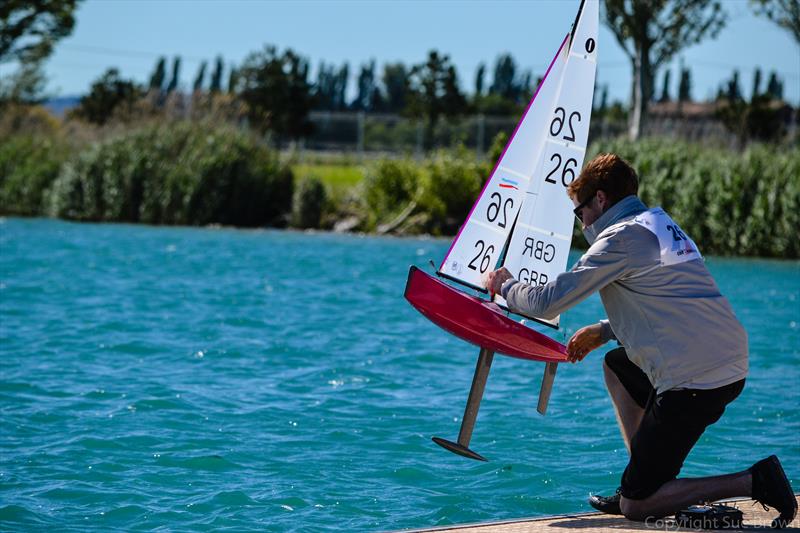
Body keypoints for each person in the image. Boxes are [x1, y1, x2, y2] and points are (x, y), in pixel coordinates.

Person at [485, 153, 796, 527]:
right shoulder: (660, 224)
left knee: (636, 507)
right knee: (617, 364)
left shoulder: (621, 237)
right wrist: (604, 331)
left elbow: (549, 301)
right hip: (725, 360)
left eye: (579, 212)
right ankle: (644, 480)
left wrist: (505, 286)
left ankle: (752, 481)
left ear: (600, 200)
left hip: (696, 378)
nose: (581, 222)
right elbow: (669, 301)